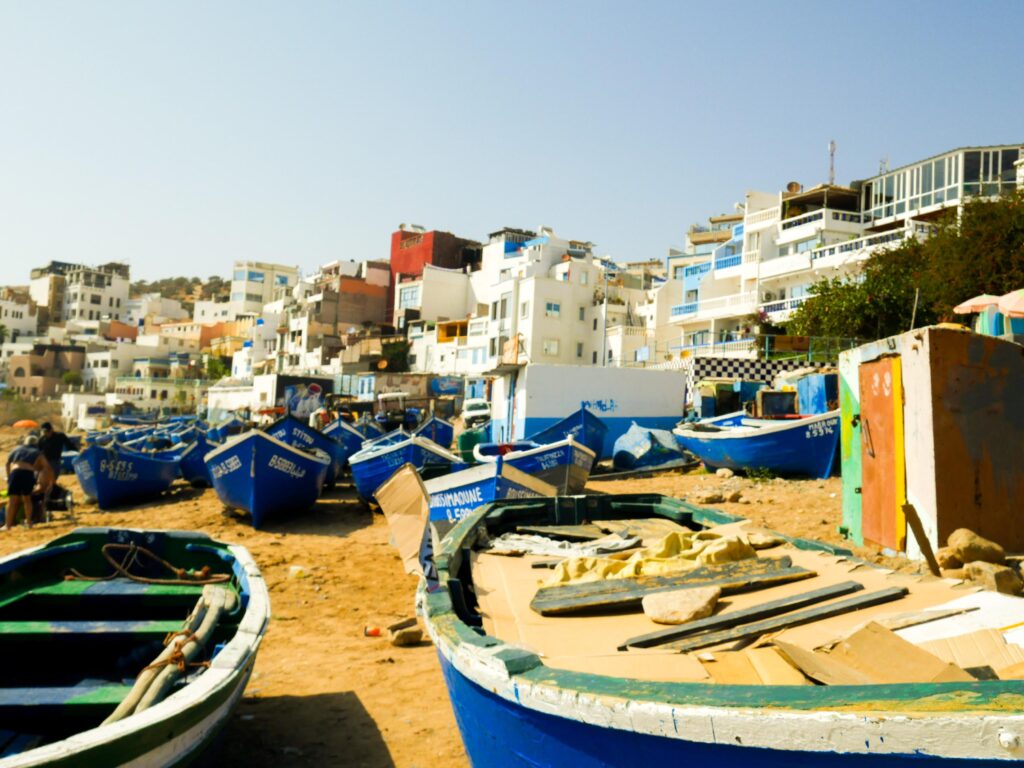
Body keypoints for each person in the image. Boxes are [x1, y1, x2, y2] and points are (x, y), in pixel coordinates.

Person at [5, 435, 54, 529]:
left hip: (15, 473)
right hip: (27, 474)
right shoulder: (37, 452)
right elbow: (47, 467)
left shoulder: (16, 448)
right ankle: (29, 523)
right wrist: (52, 481)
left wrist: (8, 477)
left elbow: (7, 463)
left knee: (12, 501)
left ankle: (8, 525)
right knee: (27, 499)